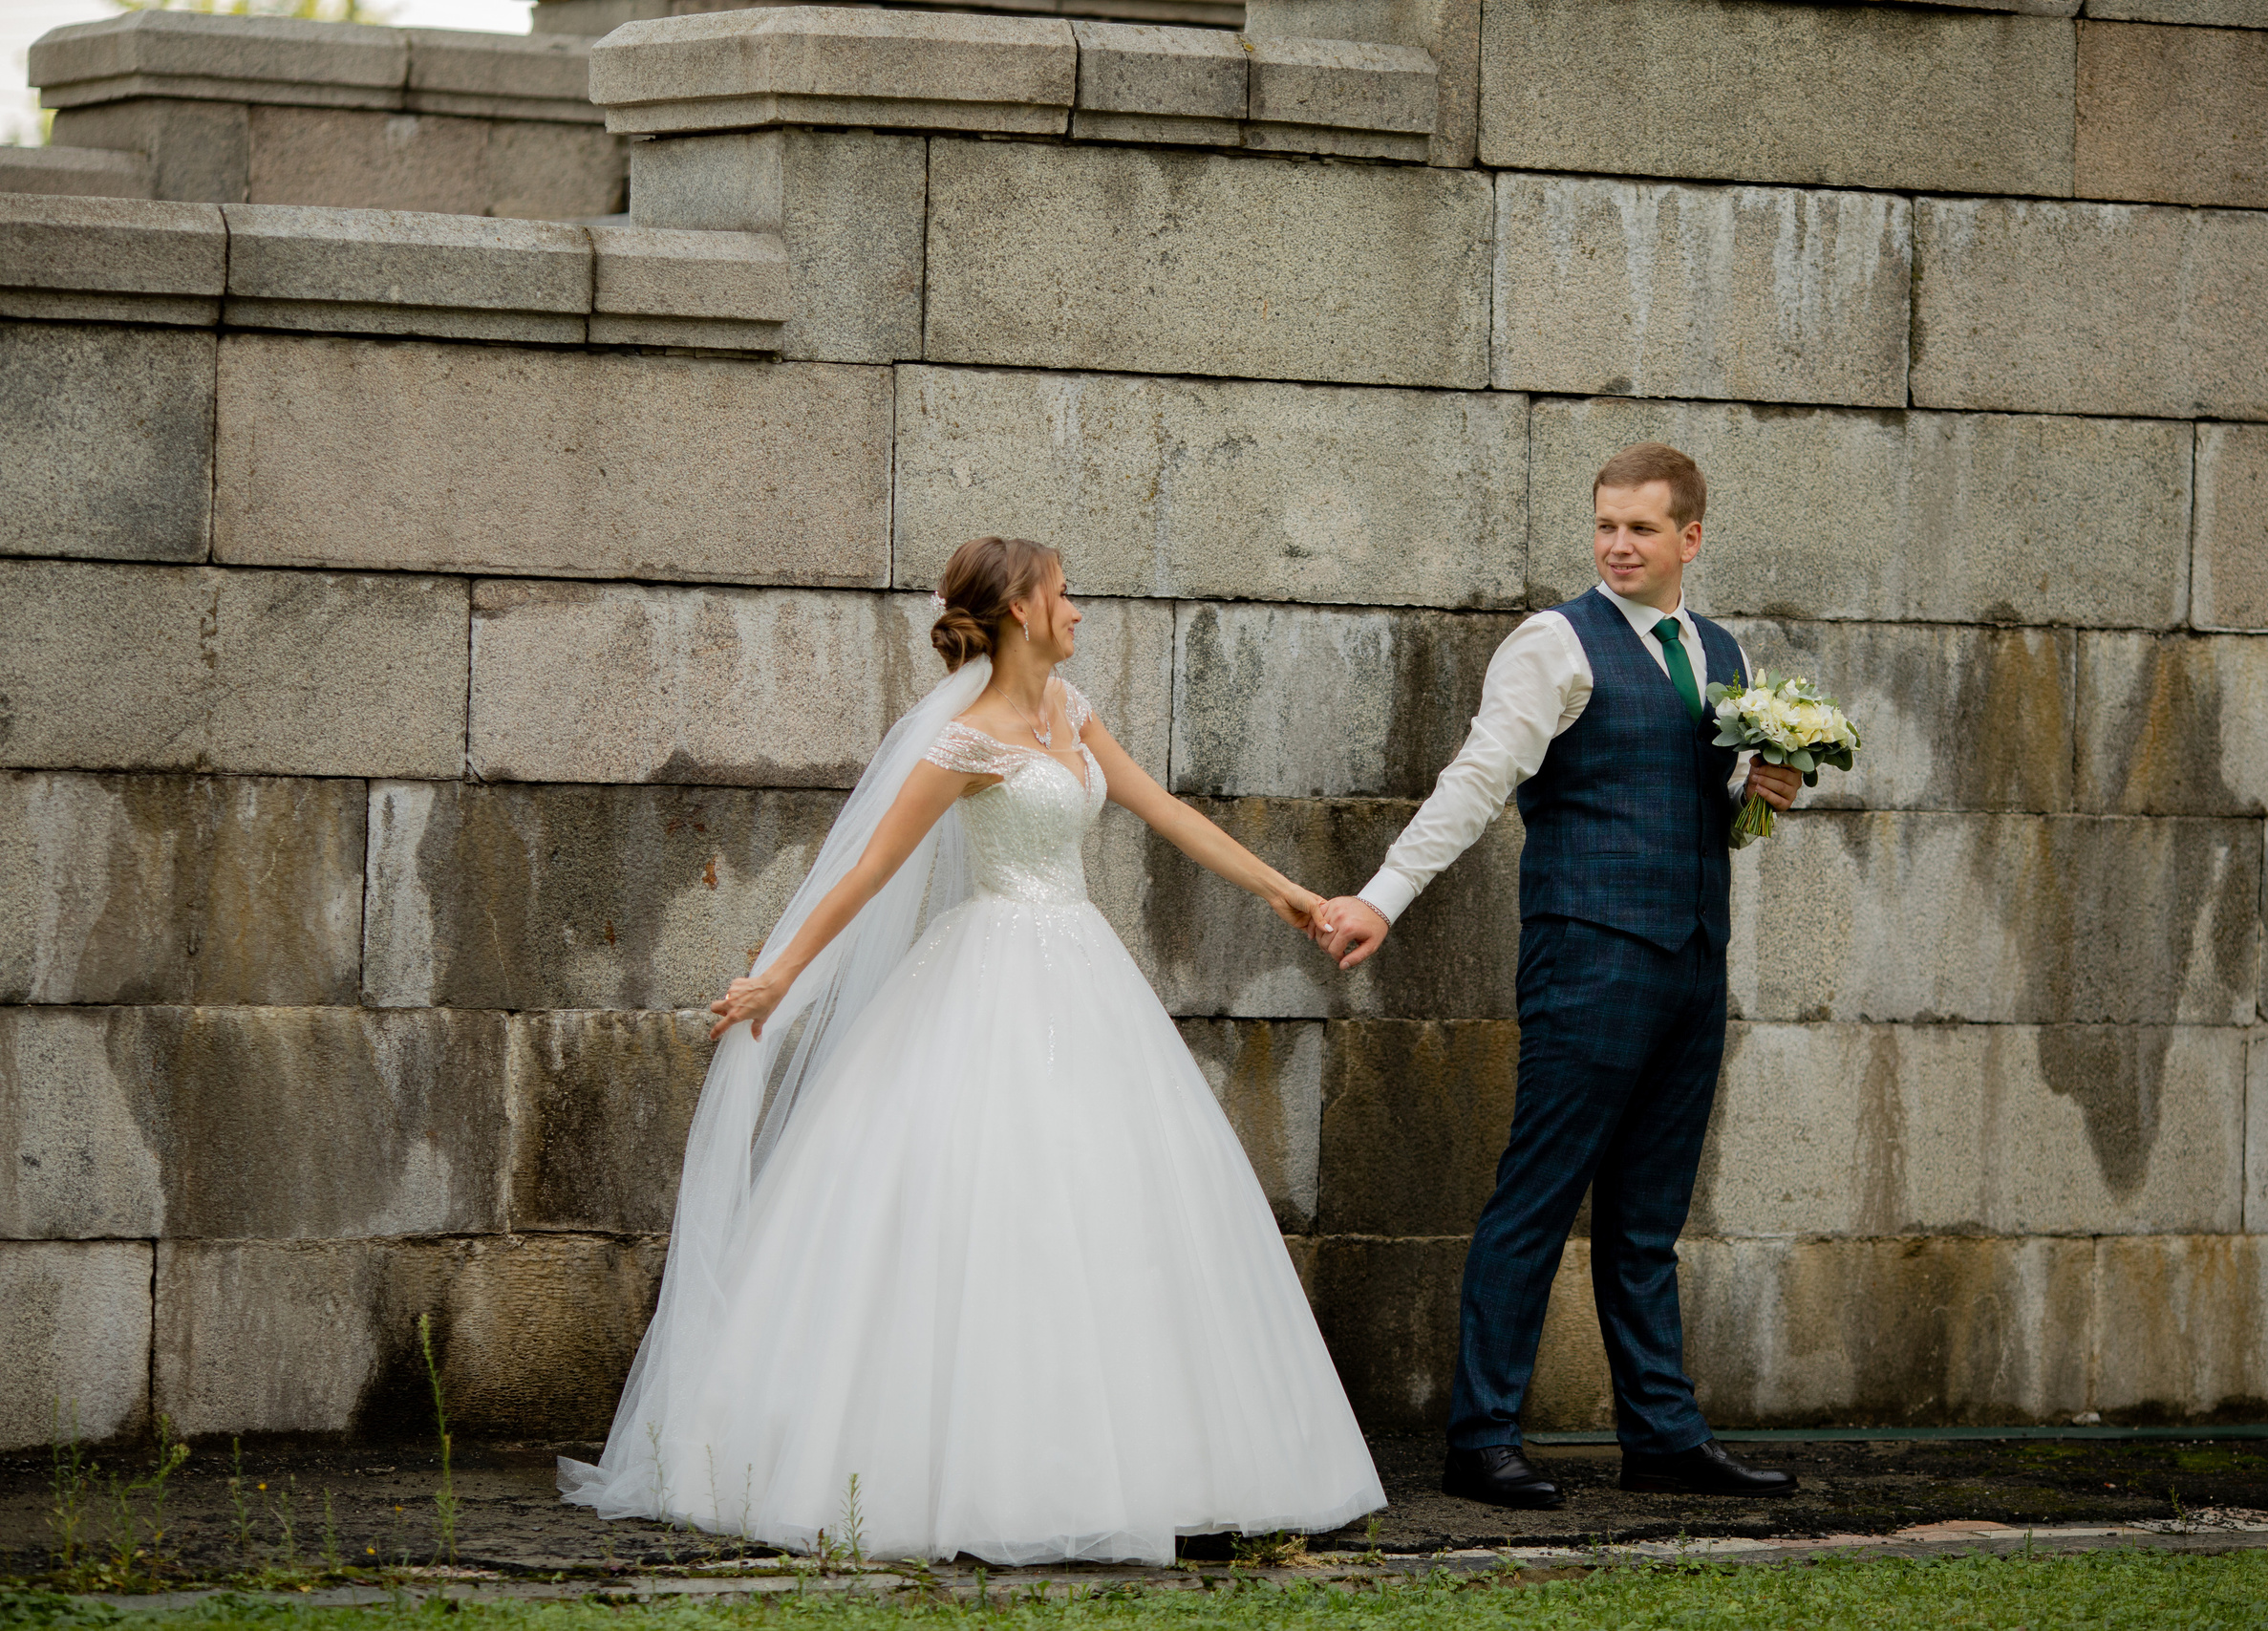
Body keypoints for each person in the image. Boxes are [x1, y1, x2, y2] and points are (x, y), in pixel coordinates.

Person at [561, 535, 1384, 1564]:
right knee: (988, 1205)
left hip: (1082, 970)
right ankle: (967, 1474)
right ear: (1022, 611)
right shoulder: (964, 742)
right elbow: (865, 874)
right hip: (988, 967)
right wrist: (780, 975)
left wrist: (1293, 898)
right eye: (1064, 593)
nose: (1078, 609)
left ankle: (1161, 1468)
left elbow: (1164, 812)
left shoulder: (1072, 713)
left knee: (1117, 1204)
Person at [1312, 443, 1803, 1509]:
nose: (1617, 546)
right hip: (1586, 953)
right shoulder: (1554, 642)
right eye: (1603, 526)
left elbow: (1704, 809)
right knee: (1537, 1196)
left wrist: (1764, 790)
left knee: (1646, 1218)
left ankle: (1662, 1437)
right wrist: (1382, 898)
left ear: (1691, 538)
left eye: (1639, 529)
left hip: (1691, 960)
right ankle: (1480, 1436)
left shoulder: (1722, 651)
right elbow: (1479, 779)